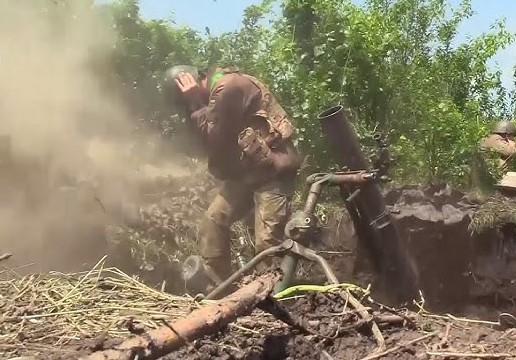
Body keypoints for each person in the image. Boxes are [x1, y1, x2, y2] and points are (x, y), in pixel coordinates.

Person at [164, 65, 302, 285]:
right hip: (248, 174)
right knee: (213, 221)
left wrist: (194, 103)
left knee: (267, 244)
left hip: (273, 172)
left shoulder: (226, 87)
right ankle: (218, 288)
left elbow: (212, 139)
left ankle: (274, 300)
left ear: (193, 81)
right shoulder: (216, 95)